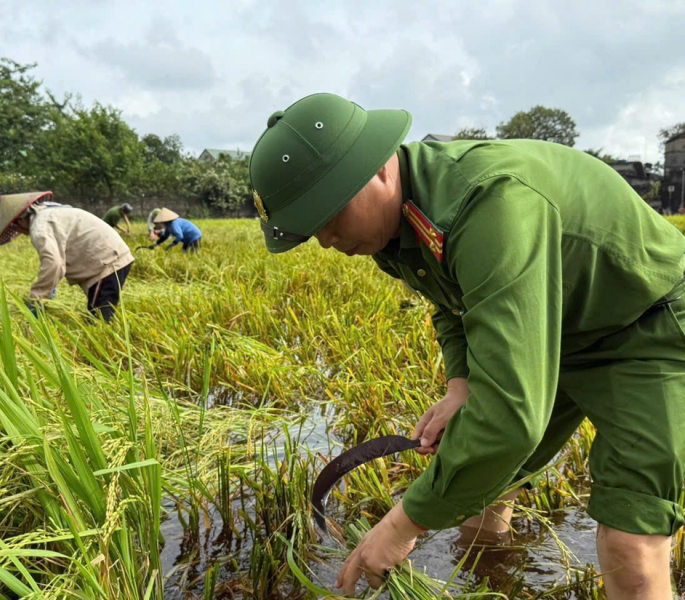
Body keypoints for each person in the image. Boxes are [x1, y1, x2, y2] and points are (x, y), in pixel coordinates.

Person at [249, 93, 685, 599]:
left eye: (329, 214)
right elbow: (449, 302)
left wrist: (402, 525)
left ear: (381, 169)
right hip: (556, 320)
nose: (327, 239)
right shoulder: (393, 227)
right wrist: (461, 386)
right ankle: (493, 581)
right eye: (311, 229)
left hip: (645, 320)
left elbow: (510, 419)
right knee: (485, 486)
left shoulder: (489, 202)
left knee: (631, 540)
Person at [0, 191, 134, 323]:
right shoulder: (50, 214)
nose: (21, 232)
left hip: (107, 262)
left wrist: (36, 299)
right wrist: (51, 285)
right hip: (110, 257)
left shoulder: (39, 226)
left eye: (16, 227)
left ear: (20, 220)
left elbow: (53, 263)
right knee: (99, 312)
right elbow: (58, 257)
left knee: (100, 320)